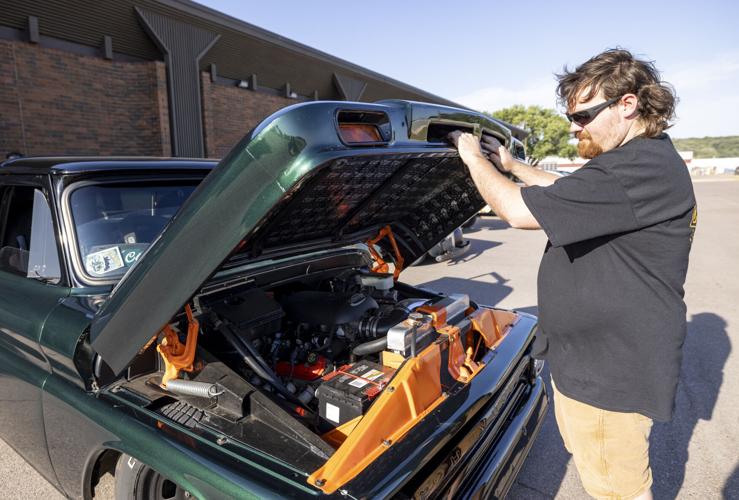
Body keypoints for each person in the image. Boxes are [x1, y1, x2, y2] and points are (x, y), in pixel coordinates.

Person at [452, 49, 696, 500]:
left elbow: (514, 210)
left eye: (583, 116)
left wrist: (473, 159)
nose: (574, 127)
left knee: (617, 490)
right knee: (601, 473)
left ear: (628, 104)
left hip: (608, 373)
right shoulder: (638, 161)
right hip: (595, 360)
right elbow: (567, 192)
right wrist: (510, 165)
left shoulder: (637, 167)